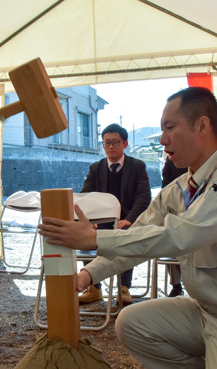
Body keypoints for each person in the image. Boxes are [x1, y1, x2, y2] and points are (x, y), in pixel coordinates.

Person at [39, 87, 217, 367]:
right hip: (206, 314)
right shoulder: (179, 189)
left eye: (170, 127)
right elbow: (138, 236)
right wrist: (88, 274)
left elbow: (178, 235)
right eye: (161, 129)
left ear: (202, 125)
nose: (162, 139)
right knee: (131, 323)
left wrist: (95, 238)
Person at [78, 123, 151, 306]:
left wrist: (129, 219)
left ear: (125, 144)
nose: (110, 146)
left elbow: (144, 197)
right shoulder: (96, 168)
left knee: (126, 236)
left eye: (115, 142)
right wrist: (90, 222)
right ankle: (94, 288)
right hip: (101, 222)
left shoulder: (137, 166)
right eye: (106, 143)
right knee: (84, 236)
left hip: (127, 220)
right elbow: (86, 197)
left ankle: (124, 287)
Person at [160, 157, 187, 297]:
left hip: (202, 211)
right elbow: (165, 188)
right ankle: (176, 285)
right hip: (176, 210)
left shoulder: (208, 158)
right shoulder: (172, 161)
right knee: (170, 237)